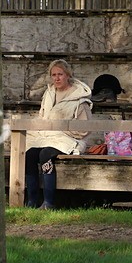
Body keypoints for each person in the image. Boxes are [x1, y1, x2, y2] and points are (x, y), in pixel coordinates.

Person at [25, 59, 93, 209]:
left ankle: (49, 202)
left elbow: (84, 129)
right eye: (53, 75)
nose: (57, 78)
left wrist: (60, 129)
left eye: (60, 74)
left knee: (45, 154)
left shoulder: (79, 99)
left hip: (70, 138)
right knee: (29, 155)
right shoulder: (48, 94)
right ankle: (32, 200)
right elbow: (42, 116)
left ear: (67, 75)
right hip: (47, 136)